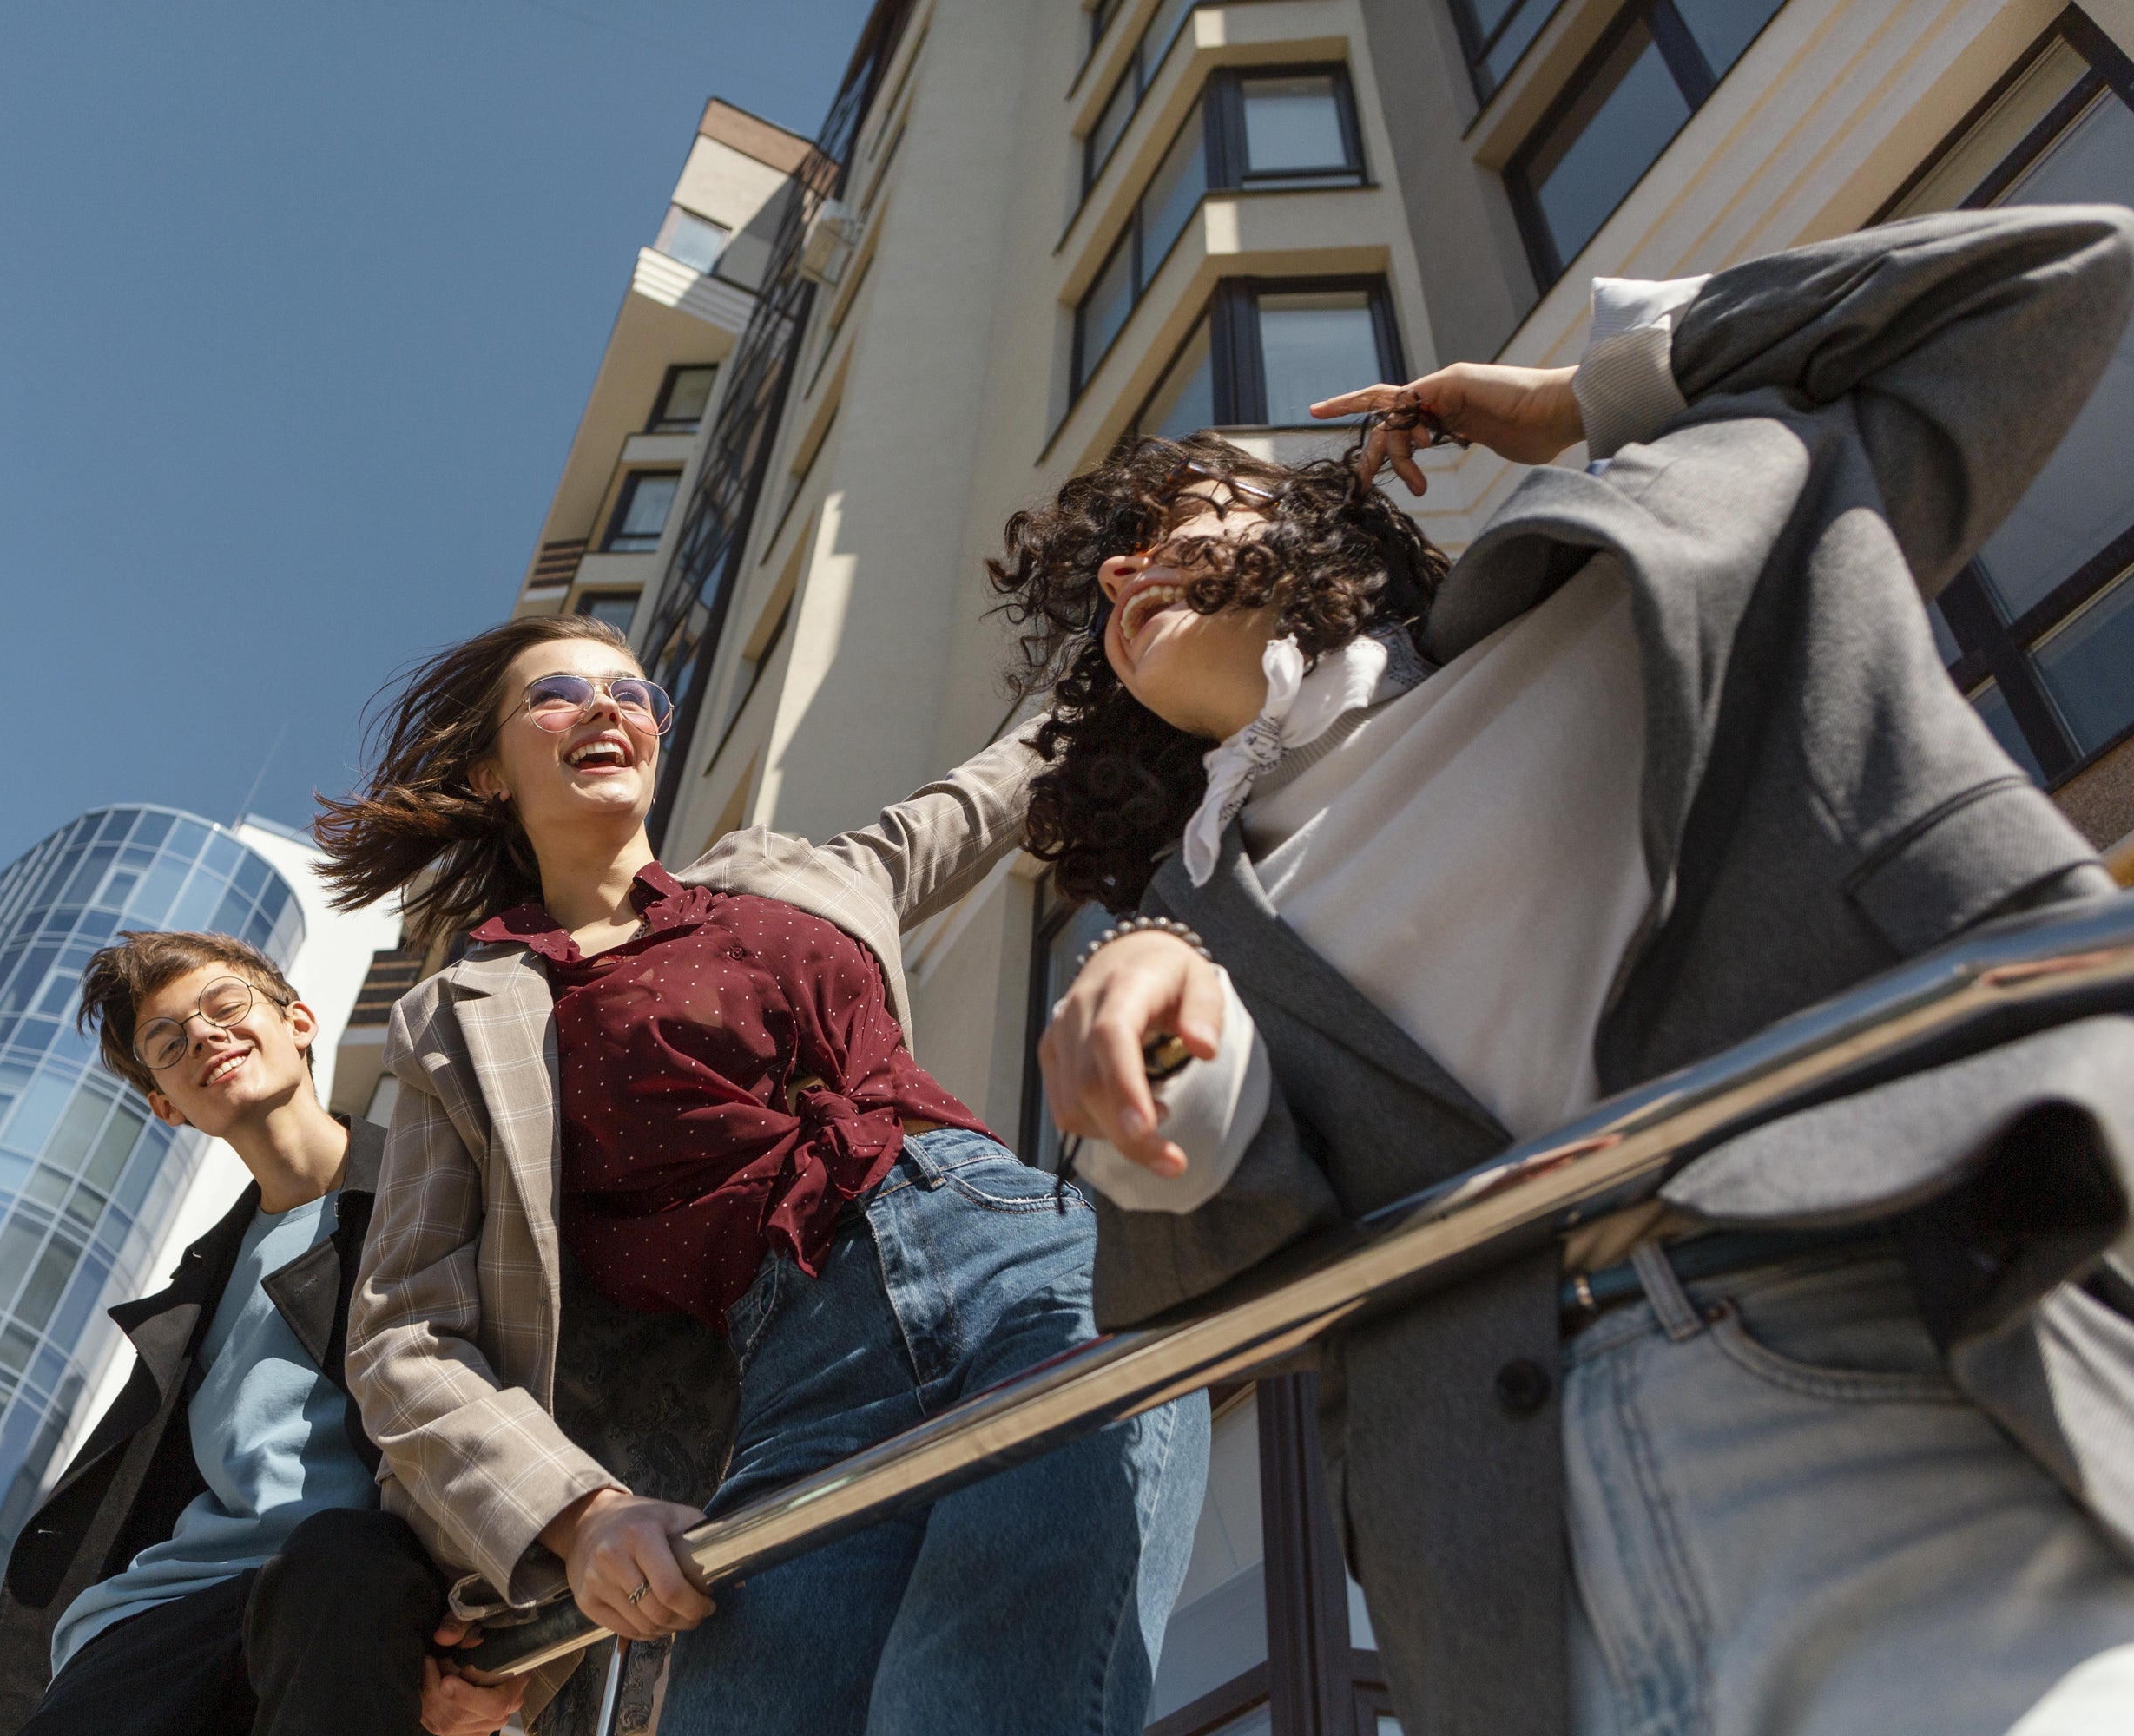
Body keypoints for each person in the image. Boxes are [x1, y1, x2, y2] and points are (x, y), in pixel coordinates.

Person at [1009, 204, 2134, 1736]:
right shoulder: (1170, 920)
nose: (1141, 565)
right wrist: (1167, 1054)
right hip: (1515, 1579)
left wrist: (1588, 387)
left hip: (1901, 1353)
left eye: (1199, 504)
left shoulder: (1631, 564)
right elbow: (1190, 1251)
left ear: (1315, 522)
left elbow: (2054, 276)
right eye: (1110, 579)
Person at [313, 614, 1209, 1736]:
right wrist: (577, 1516)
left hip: (1020, 1269)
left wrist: (1148, 595)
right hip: (789, 1384)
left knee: (975, 1707)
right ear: (490, 769)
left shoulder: (808, 876)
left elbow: (1017, 770)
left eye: (632, 692)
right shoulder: (456, 1020)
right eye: (559, 693)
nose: (607, 708)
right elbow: (405, 1338)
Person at [0, 930, 524, 1736]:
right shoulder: (196, 1289)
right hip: (155, 1624)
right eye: (168, 1042)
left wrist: (475, 1646)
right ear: (168, 1106)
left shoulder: (436, 1184)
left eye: (225, 1006)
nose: (203, 1035)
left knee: (343, 1557)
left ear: (297, 1020)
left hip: (347, 1598)